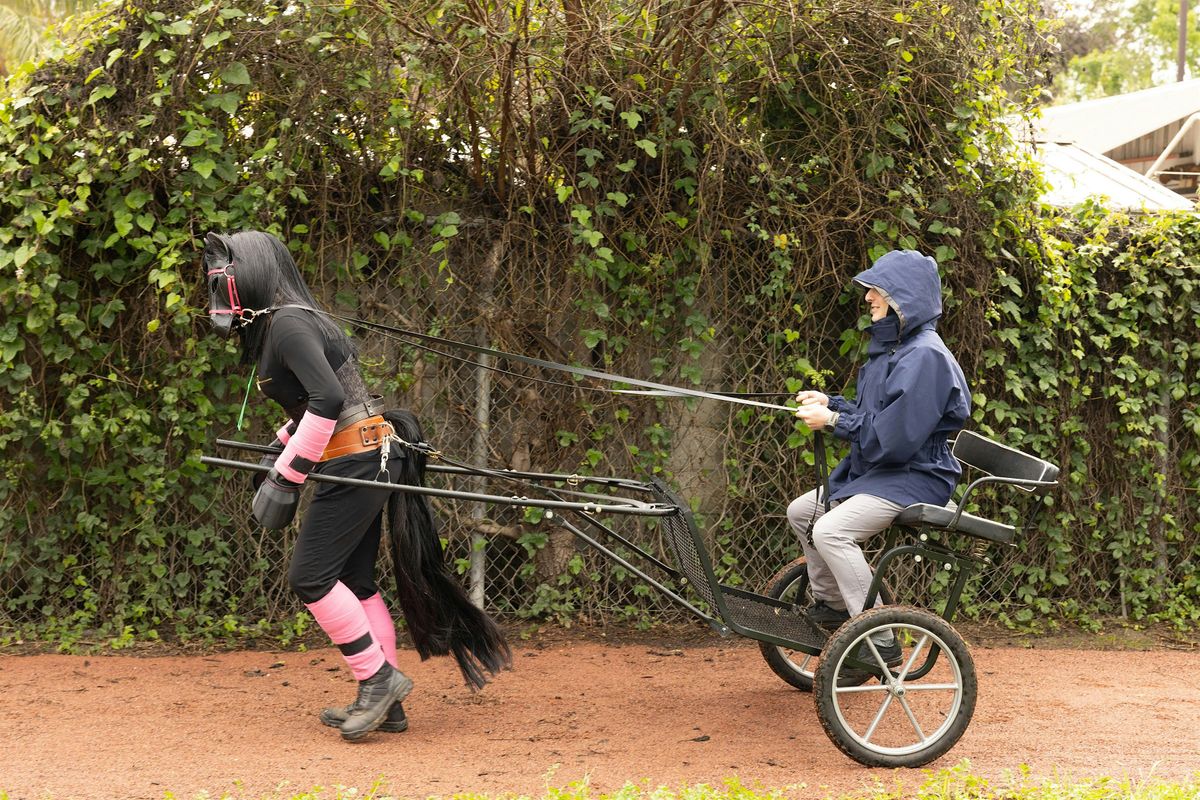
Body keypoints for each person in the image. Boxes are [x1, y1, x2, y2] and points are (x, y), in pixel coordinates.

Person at [202, 230, 510, 741]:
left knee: (310, 577)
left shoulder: (289, 324)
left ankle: (379, 680)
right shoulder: (285, 322)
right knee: (357, 581)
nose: (219, 298)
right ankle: (387, 705)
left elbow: (325, 402)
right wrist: (281, 442)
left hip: (356, 461)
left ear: (249, 275)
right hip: (365, 453)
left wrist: (289, 474)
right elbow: (326, 404)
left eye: (222, 283)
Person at [790, 249, 971, 663]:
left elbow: (896, 438)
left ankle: (880, 637)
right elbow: (875, 415)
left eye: (877, 290)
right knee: (802, 512)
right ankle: (836, 607)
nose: (869, 297)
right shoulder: (894, 350)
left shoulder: (926, 357)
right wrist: (831, 402)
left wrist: (834, 420)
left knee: (831, 531)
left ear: (903, 297)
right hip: (883, 471)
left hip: (915, 475)